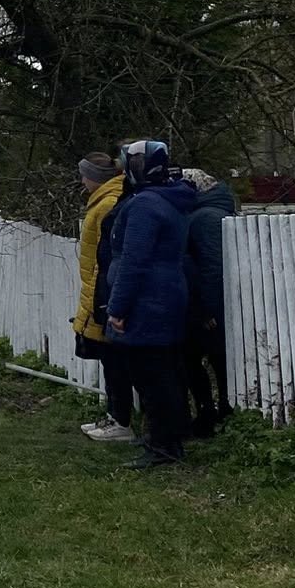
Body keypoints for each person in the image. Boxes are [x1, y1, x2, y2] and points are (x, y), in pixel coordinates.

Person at [105, 139, 198, 468]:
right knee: (166, 370)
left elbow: (134, 261)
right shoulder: (170, 198)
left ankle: (163, 446)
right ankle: (171, 436)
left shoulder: (145, 204)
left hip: (147, 299)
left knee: (151, 374)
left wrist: (118, 308)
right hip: (166, 293)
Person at [70, 153, 136, 442]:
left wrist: (100, 297)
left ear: (96, 177)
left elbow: (105, 256)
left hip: (103, 291)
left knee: (115, 359)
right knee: (111, 359)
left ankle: (120, 420)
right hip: (97, 289)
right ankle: (114, 416)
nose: (82, 180)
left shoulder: (108, 203)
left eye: (85, 175)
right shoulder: (101, 201)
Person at [180, 167, 235, 436]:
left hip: (208, 307)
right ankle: (216, 411)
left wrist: (206, 309)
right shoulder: (212, 213)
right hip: (211, 304)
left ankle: (212, 413)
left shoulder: (203, 218)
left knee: (197, 358)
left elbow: (211, 267)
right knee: (212, 360)